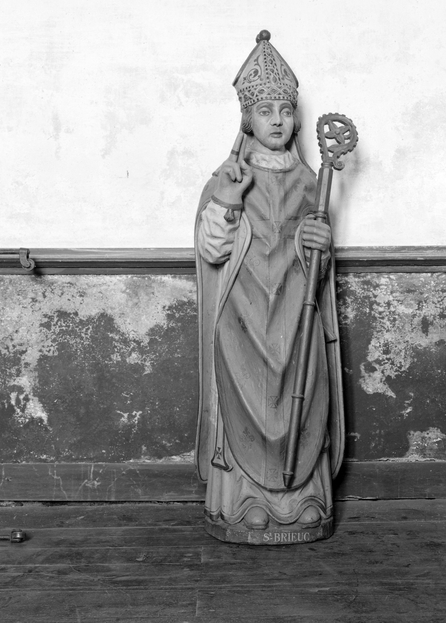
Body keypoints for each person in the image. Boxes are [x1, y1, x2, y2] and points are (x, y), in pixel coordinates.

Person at [194, 31, 344, 544]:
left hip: (297, 316)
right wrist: (228, 202)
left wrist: (317, 244)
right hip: (243, 317)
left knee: (305, 393)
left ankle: (303, 501)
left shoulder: (310, 182)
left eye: (285, 110)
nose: (277, 119)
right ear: (247, 119)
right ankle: (246, 502)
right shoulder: (228, 177)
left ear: (296, 119)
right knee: (246, 399)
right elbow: (213, 249)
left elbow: (318, 263)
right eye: (265, 110)